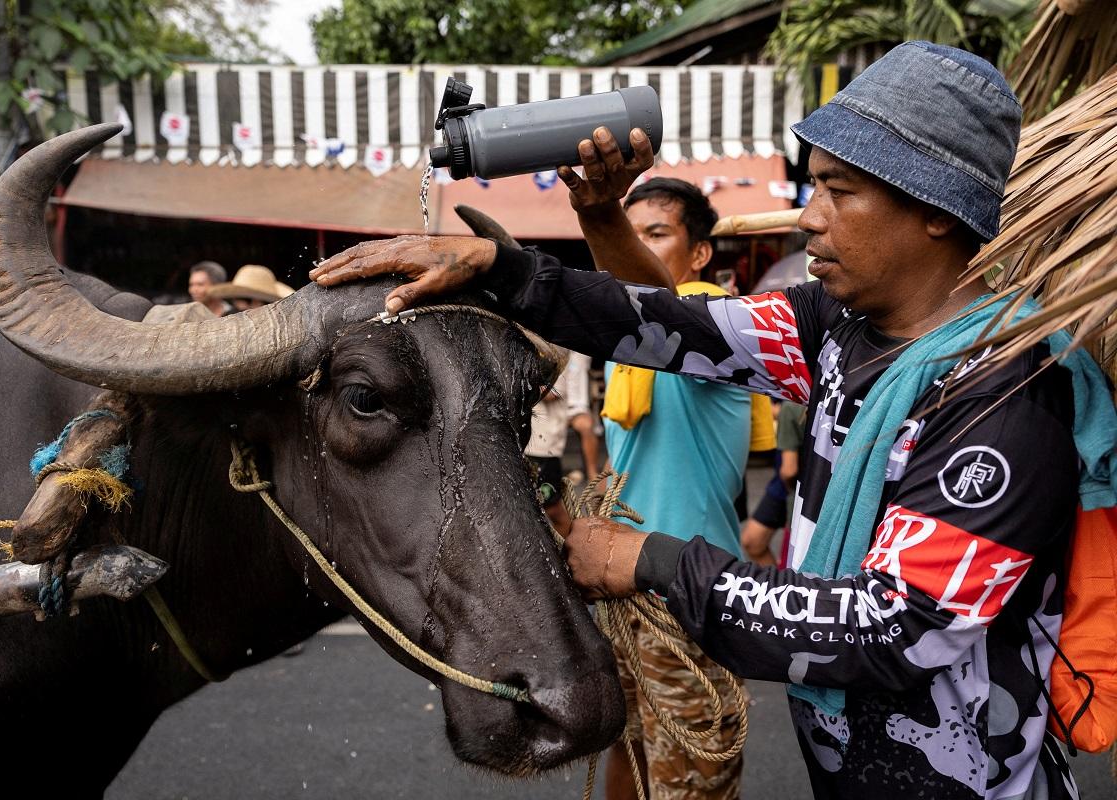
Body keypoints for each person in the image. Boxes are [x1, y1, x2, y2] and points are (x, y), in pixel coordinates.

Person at [312, 42, 1117, 800]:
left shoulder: (1008, 390)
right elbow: (673, 326)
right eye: (815, 188)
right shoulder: (830, 325)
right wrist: (504, 268)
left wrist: (652, 562)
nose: (809, 218)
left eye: (841, 191)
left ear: (936, 210)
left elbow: (892, 629)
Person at [570, 175, 753, 799]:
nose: (637, 247)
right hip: (618, 587)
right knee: (631, 757)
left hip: (686, 592)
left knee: (690, 787)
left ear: (699, 253)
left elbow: (657, 300)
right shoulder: (622, 349)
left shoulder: (716, 330)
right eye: (628, 232)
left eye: (656, 234)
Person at [527, 348, 595, 537]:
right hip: (528, 443)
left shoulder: (559, 353)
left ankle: (573, 554)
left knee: (553, 508)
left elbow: (551, 392)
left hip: (544, 446)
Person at [741, 400, 806, 567]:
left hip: (791, 490)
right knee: (752, 541)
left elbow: (788, 470)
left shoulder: (791, 408)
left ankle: (778, 583)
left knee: (789, 558)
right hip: (790, 488)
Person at [207, 264, 290, 313]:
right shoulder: (228, 315)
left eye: (243, 299)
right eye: (235, 298)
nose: (237, 303)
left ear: (257, 302)